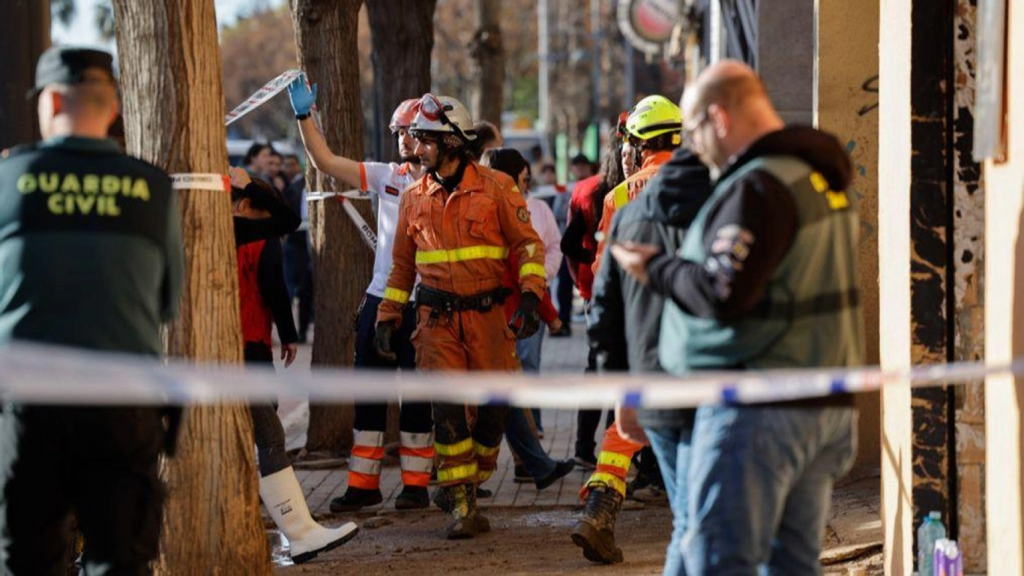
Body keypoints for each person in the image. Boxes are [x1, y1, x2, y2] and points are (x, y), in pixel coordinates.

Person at [612, 60, 862, 575]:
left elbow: (723, 291)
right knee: (790, 561)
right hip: (819, 401)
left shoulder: (758, 187)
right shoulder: (814, 178)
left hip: (756, 407)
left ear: (720, 120)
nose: (693, 148)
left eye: (695, 131)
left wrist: (654, 267)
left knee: (717, 558)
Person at [0, 46, 183, 574]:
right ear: (114, 107)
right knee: (120, 560)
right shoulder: (152, 187)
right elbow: (167, 303)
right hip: (123, 404)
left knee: (29, 559)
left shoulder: (10, 181)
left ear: (52, 99)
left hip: (29, 407)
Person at [377, 93, 547, 539]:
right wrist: (387, 314)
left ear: (453, 142)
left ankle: (468, 478)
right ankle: (462, 505)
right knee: (448, 411)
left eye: (426, 139)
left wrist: (531, 297)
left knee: (495, 408)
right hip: (436, 322)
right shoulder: (414, 197)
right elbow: (401, 267)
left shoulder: (497, 188)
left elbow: (528, 246)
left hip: (488, 317)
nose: (416, 147)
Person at [286, 79, 436, 511]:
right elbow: (327, 161)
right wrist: (303, 118)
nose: (404, 140)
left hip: (423, 302)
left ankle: (415, 487)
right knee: (368, 395)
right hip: (379, 298)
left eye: (412, 132)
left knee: (419, 400)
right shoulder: (387, 177)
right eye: (400, 133)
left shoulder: (447, 185)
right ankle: (363, 487)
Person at [572, 143, 712, 567]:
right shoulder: (715, 188)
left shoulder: (620, 199)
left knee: (620, 437)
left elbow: (602, 279)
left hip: (643, 340)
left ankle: (599, 512)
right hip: (699, 342)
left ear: (637, 146)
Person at [229, 168, 358, 564]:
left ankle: (297, 531)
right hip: (245, 348)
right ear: (249, 204)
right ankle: (299, 533)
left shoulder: (211, 229)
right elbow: (276, 280)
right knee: (268, 436)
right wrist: (249, 185)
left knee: (253, 437)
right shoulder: (243, 232)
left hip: (227, 350)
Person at [480, 147, 575, 489]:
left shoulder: (497, 208)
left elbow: (535, 262)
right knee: (498, 400)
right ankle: (528, 466)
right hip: (498, 322)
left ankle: (533, 465)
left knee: (503, 398)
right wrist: (550, 315)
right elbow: (520, 271)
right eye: (521, 178)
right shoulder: (503, 212)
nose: (525, 185)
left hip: (498, 320)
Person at [565, 118, 629, 471]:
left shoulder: (592, 190)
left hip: (601, 296)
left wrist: (586, 281)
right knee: (613, 370)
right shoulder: (596, 193)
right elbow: (570, 244)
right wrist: (588, 280)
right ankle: (598, 449)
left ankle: (591, 447)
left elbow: (568, 245)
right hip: (614, 297)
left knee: (601, 369)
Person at [592, 95, 682, 276]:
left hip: (633, 298)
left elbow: (603, 268)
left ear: (640, 143)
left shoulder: (617, 196)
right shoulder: (700, 183)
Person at [280, 154, 314, 343]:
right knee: (300, 289)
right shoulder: (294, 188)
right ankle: (299, 331)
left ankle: (305, 326)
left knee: (311, 289)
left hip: (315, 245)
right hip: (298, 244)